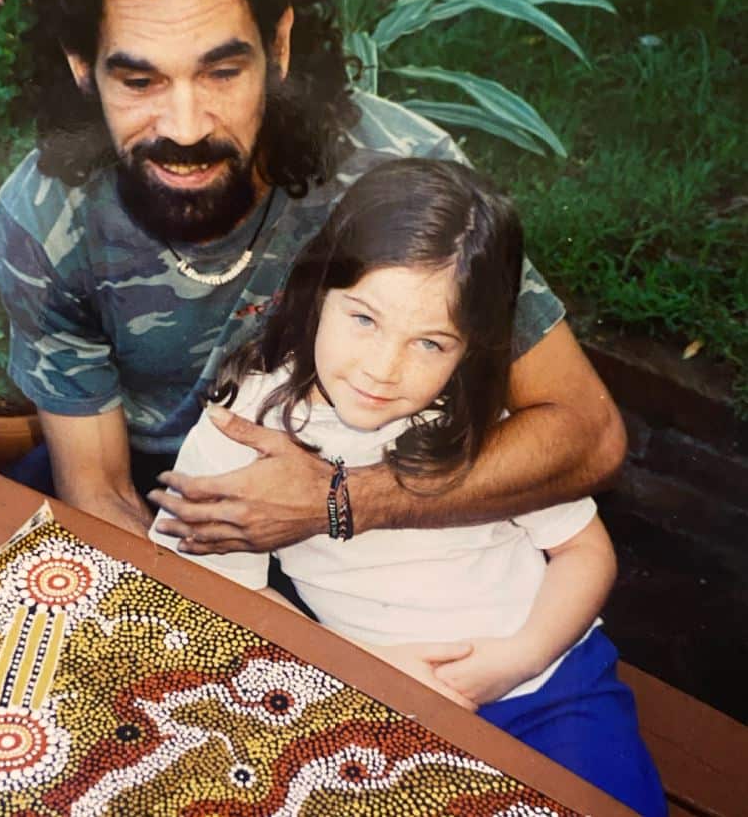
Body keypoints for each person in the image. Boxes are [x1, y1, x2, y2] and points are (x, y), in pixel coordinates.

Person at [0, 0, 626, 553]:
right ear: (82, 67)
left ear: (280, 46)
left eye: (222, 73)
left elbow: (589, 433)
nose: (184, 127)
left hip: (374, 498)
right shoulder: (48, 217)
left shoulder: (399, 172)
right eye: (140, 81)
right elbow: (100, 491)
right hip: (164, 504)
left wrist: (346, 500)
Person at [150, 159, 666, 816]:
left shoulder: (486, 418)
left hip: (552, 680)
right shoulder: (243, 427)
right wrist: (366, 665)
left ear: (470, 348)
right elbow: (216, 594)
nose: (383, 369)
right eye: (364, 319)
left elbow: (584, 549)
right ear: (318, 290)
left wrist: (517, 658)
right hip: (367, 689)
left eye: (430, 343)